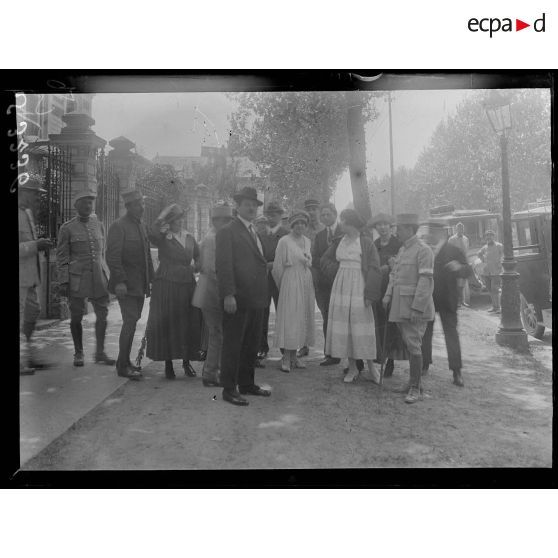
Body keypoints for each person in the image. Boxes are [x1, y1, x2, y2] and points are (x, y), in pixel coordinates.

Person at [215, 186, 271, 406]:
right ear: (237, 206)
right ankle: (229, 389)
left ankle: (246, 384)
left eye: (255, 205)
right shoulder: (228, 231)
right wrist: (228, 295)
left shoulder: (253, 231)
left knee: (251, 344)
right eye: (247, 204)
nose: (251, 208)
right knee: (233, 344)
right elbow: (224, 266)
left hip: (255, 298)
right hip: (237, 299)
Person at [321, 209, 382, 384]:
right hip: (341, 287)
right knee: (345, 326)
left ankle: (372, 368)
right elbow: (324, 260)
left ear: (352, 224)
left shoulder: (366, 243)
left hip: (359, 287)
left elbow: (374, 268)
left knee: (362, 327)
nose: (341, 224)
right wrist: (337, 271)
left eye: (344, 221)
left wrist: (370, 293)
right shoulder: (338, 242)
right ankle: (353, 367)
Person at [56, 191, 115, 367]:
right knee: (76, 317)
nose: (88, 206)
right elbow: (62, 257)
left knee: (103, 315)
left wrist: (107, 274)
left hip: (98, 276)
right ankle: (79, 353)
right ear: (76, 206)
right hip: (77, 279)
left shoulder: (99, 225)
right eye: (84, 203)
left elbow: (102, 253)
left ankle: (100, 352)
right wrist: (63, 281)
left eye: (90, 203)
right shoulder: (67, 228)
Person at [383, 213, 434, 404]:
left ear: (410, 229)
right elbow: (394, 276)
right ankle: (414, 382)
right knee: (409, 342)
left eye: (400, 228)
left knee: (413, 345)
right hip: (400, 305)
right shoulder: (404, 250)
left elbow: (425, 281)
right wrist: (388, 295)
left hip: (414, 307)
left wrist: (417, 308)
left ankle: (415, 388)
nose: (397, 232)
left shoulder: (423, 250)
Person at [145, 203, 200, 379]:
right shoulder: (163, 237)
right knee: (168, 323)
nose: (178, 222)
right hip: (167, 283)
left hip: (187, 283)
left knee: (187, 322)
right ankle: (168, 364)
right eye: (174, 220)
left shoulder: (189, 237)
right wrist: (162, 217)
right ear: (169, 222)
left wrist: (196, 267)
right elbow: (151, 234)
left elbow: (198, 257)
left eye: (179, 219)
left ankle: (186, 362)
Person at [106, 190, 154, 381]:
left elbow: (147, 255)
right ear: (128, 206)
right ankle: (122, 365)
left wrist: (153, 278)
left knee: (133, 321)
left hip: (140, 284)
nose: (142, 208)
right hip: (126, 285)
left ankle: (124, 361)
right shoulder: (119, 226)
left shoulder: (141, 225)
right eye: (138, 204)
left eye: (142, 204)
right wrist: (120, 281)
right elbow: (112, 256)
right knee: (130, 321)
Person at [420, 222, 472, 387]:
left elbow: (468, 270)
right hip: (429, 298)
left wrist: (459, 267)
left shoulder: (453, 250)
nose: (432, 234)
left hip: (448, 300)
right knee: (425, 332)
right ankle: (424, 364)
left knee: (451, 334)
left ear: (442, 233)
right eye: (430, 231)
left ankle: (456, 371)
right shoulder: (424, 249)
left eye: (435, 231)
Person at [192, 203, 234, 387]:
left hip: (211, 290)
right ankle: (210, 373)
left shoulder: (216, 236)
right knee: (217, 333)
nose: (225, 223)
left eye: (228, 220)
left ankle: (213, 370)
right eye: (222, 220)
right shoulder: (213, 239)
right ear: (214, 221)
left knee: (217, 333)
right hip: (212, 291)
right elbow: (211, 268)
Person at [272, 210, 316, 372]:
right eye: (296, 223)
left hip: (305, 280)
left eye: (303, 223)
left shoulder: (307, 241)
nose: (300, 226)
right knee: (290, 318)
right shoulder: (284, 241)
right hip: (290, 281)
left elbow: (309, 260)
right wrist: (284, 285)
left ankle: (295, 356)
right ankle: (286, 357)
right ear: (291, 225)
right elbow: (277, 267)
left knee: (301, 318)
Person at [18, 175, 53, 375]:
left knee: (32, 312)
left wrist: (39, 244)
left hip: (29, 277)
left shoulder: (27, 213)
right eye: (35, 194)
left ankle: (28, 356)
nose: (37, 199)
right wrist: (35, 245)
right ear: (23, 192)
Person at [368, 213, 407, 377]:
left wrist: (389, 267)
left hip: (392, 288)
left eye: (385, 225)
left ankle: (391, 361)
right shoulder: (374, 244)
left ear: (391, 227)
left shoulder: (399, 244)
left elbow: (401, 267)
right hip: (378, 289)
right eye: (379, 225)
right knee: (379, 323)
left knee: (392, 326)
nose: (382, 228)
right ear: (375, 228)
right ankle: (381, 358)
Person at [257, 201, 289, 365]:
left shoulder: (286, 234)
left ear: (280, 215)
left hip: (280, 277)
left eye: (275, 214)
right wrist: (264, 265)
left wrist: (275, 264)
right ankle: (262, 347)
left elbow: (289, 255)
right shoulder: (260, 234)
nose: (271, 217)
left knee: (282, 311)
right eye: (268, 214)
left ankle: (286, 348)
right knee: (262, 313)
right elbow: (255, 255)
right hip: (263, 278)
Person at [312, 202, 342, 366]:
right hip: (324, 283)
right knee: (327, 317)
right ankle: (330, 353)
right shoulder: (320, 235)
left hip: (342, 281)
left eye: (328, 214)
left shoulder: (345, 231)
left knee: (342, 317)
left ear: (335, 214)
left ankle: (344, 353)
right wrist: (326, 264)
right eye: (322, 215)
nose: (325, 217)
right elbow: (314, 257)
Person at [298, 198, 325, 358]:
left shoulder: (324, 229)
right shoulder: (302, 230)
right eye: (309, 209)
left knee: (325, 310)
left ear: (319, 211)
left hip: (321, 275)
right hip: (305, 274)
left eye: (314, 209)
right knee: (304, 311)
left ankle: (329, 349)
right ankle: (303, 345)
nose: (312, 212)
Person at [477, 230, 504, 313]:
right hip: (487, 272)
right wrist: (482, 260)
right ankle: (494, 307)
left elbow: (503, 255)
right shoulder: (485, 247)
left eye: (490, 236)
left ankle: (499, 307)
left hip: (496, 271)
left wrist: (501, 263)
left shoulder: (499, 246)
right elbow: (479, 253)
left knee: (495, 289)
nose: (489, 237)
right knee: (490, 289)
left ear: (493, 236)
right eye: (487, 236)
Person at [448, 222, 470, 307]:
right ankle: (456, 302)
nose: (461, 230)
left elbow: (466, 250)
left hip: (464, 263)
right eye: (459, 228)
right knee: (456, 284)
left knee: (462, 283)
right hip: (455, 263)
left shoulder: (466, 239)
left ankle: (462, 301)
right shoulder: (452, 239)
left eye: (462, 228)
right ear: (456, 229)